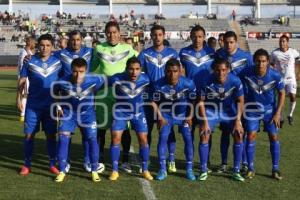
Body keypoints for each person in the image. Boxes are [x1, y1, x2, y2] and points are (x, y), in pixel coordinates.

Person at [91, 21, 136, 173]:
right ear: (105, 34)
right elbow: (91, 69)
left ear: (119, 33)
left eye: (114, 32)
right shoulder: (98, 48)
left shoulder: (128, 49)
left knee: (124, 129)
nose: (112, 35)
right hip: (104, 94)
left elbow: (137, 66)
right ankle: (100, 160)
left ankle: (125, 161)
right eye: (108, 32)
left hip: (123, 96)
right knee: (101, 128)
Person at [54, 30, 101, 173]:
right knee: (65, 134)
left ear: (82, 40)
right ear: (69, 40)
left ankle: (87, 161)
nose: (75, 42)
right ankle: (64, 161)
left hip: (85, 99)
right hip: (68, 96)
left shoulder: (91, 51)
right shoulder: (60, 53)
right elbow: (46, 58)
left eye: (78, 39)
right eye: (73, 39)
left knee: (88, 135)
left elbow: (106, 58)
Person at [53, 58, 105, 182]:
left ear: (86, 70)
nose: (78, 75)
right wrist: (58, 106)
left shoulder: (95, 79)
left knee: (92, 139)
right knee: (63, 139)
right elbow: (55, 93)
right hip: (69, 114)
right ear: (71, 70)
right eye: (75, 71)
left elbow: (101, 87)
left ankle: (94, 170)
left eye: (81, 71)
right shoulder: (62, 81)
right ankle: (62, 170)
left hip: (88, 114)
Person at [16, 34, 62, 176]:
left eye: (48, 45)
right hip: (33, 105)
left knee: (51, 135)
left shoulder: (58, 62)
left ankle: (52, 163)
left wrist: (61, 105)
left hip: (51, 105)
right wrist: (18, 98)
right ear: (37, 45)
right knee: (29, 135)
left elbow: (64, 84)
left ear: (52, 47)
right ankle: (27, 164)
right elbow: (22, 80)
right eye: (42, 45)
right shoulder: (29, 61)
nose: (44, 48)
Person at [195, 58, 245, 182]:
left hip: (229, 111)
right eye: (218, 70)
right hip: (211, 110)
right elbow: (200, 101)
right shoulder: (206, 80)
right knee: (204, 133)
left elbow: (241, 101)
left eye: (223, 70)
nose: (221, 73)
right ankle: (203, 170)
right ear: (214, 70)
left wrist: (238, 121)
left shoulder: (235, 80)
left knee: (239, 134)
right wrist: (205, 122)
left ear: (228, 70)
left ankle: (236, 170)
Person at [138, 25, 179, 173]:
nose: (157, 37)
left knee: (169, 130)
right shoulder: (144, 54)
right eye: (154, 35)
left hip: (168, 99)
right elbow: (138, 74)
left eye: (160, 35)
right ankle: (146, 160)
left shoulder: (173, 53)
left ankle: (172, 159)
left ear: (164, 35)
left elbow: (180, 73)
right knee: (146, 130)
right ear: (151, 36)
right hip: (149, 98)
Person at [240, 49, 285, 180]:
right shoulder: (246, 72)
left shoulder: (275, 75)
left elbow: (282, 93)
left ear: (268, 62)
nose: (261, 64)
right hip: (251, 111)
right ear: (254, 61)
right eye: (258, 61)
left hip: (270, 112)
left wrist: (278, 114)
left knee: (274, 137)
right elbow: (237, 85)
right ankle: (250, 168)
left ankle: (275, 169)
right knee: (251, 136)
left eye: (264, 61)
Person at [108, 57, 153, 181]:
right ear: (126, 69)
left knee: (143, 139)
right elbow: (101, 83)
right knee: (116, 138)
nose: (134, 72)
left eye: (137, 69)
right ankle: (115, 170)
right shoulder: (116, 78)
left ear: (141, 70)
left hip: (138, 112)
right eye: (131, 69)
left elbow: (152, 91)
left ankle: (145, 169)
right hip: (120, 111)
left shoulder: (146, 79)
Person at [151, 59, 196, 181]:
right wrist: (160, 117)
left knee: (188, 138)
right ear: (165, 71)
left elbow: (193, 100)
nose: (172, 74)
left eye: (175, 71)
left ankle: (189, 169)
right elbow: (153, 102)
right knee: (163, 137)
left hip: (183, 114)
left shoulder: (188, 83)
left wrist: (190, 115)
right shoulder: (158, 84)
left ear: (180, 71)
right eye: (169, 71)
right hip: (166, 115)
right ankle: (162, 169)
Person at [216, 31, 253, 173]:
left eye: (231, 42)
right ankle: (224, 163)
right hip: (225, 101)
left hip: (241, 100)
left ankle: (243, 163)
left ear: (236, 42)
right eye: (226, 42)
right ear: (223, 42)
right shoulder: (219, 55)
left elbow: (251, 74)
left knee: (240, 132)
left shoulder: (246, 57)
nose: (229, 45)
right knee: (225, 132)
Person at [270, 35, 299, 126]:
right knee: (280, 98)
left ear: (287, 42)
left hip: (291, 79)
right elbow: (271, 64)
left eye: (283, 41)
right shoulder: (275, 53)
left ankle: (290, 115)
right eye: (280, 41)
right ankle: (281, 117)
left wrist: (298, 73)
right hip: (280, 80)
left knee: (292, 96)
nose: (282, 43)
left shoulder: (293, 52)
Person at [17, 36, 36, 122]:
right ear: (29, 43)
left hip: (28, 77)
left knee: (26, 95)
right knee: (25, 95)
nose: (34, 44)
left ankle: (23, 113)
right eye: (33, 42)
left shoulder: (28, 51)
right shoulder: (23, 52)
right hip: (25, 77)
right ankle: (22, 114)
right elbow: (22, 65)